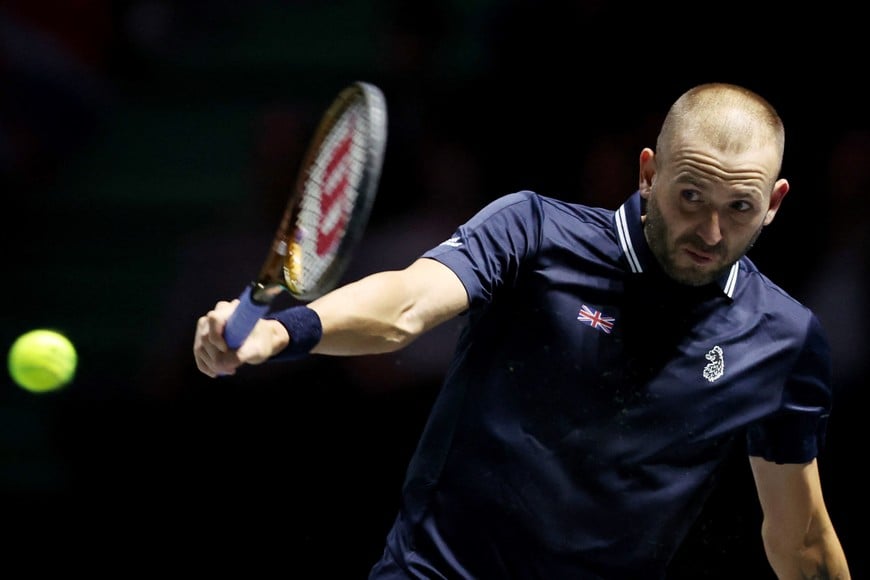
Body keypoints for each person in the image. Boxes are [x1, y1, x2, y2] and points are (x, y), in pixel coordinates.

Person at [193, 83, 851, 579]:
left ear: (774, 202)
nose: (711, 233)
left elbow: (800, 540)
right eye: (690, 199)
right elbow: (407, 304)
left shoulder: (782, 341)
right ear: (648, 173)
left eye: (738, 208)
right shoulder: (535, 233)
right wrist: (284, 334)